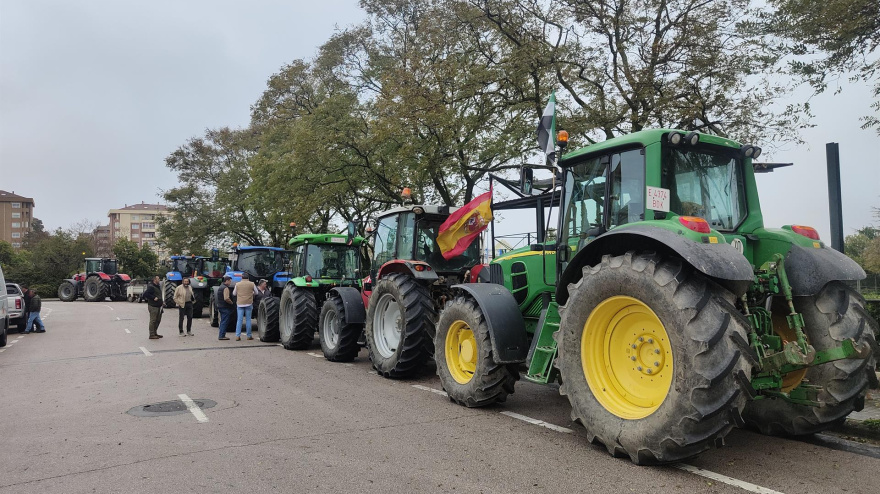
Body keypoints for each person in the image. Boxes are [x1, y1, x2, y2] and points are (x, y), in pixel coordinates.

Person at [232, 272, 257, 341]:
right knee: (248, 320)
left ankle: (237, 335)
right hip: (249, 303)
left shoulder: (237, 284)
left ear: (241, 277)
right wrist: (251, 293)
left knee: (239, 320)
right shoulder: (252, 284)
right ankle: (249, 336)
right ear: (248, 277)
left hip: (240, 303)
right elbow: (257, 292)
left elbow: (234, 293)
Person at [216, 275, 235, 340]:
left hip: (220, 306)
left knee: (222, 321)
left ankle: (221, 334)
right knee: (225, 321)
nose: (230, 282)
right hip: (225, 307)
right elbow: (226, 298)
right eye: (230, 281)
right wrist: (232, 303)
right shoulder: (225, 288)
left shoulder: (220, 287)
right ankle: (222, 335)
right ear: (226, 281)